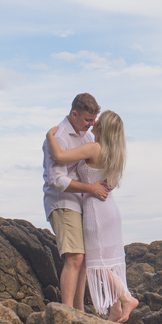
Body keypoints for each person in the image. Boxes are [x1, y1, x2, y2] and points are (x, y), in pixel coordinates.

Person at [45, 110, 138, 323]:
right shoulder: (114, 153)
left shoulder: (94, 147)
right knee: (105, 261)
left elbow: (59, 157)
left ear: (102, 127)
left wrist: (50, 135)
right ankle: (115, 309)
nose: (94, 122)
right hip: (110, 209)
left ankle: (126, 297)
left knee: (97, 262)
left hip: (95, 210)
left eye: (98, 120)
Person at [43, 93, 109, 311]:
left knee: (85, 259)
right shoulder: (60, 136)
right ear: (74, 114)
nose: (91, 124)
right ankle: (66, 312)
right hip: (63, 202)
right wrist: (91, 188)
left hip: (82, 203)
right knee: (75, 257)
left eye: (94, 120)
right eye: (88, 120)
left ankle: (78, 312)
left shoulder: (87, 137)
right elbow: (56, 180)